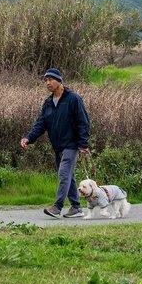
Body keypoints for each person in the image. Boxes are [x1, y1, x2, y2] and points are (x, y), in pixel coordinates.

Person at [19, 67, 90, 219]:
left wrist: (83, 144)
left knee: (63, 173)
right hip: (58, 146)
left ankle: (57, 207)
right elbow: (41, 124)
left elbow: (83, 122)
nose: (48, 83)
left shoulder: (73, 99)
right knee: (68, 177)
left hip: (71, 145)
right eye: (46, 80)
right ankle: (76, 208)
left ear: (59, 81)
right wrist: (28, 138)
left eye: (51, 79)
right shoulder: (48, 102)